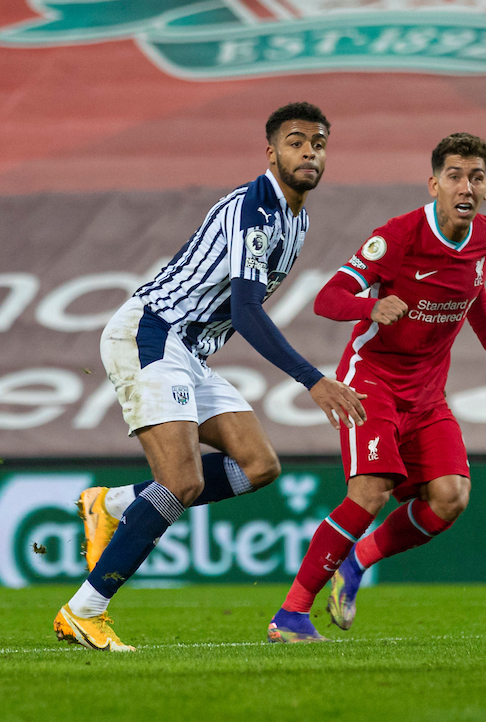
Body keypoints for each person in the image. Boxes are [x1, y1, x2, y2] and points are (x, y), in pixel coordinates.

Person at [60, 102, 366, 652]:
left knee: (259, 464)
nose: (309, 152)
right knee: (181, 483)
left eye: (318, 143)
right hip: (151, 333)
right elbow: (248, 311)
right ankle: (85, 609)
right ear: (271, 151)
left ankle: (112, 504)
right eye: (296, 142)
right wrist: (311, 379)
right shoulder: (254, 209)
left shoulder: (296, 218)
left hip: (190, 350)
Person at [267, 132, 486, 642]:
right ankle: (291, 613)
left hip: (427, 393)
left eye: (476, 177)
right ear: (434, 183)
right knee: (370, 494)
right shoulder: (397, 237)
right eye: (455, 176)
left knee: (450, 497)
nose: (466, 186)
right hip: (372, 379)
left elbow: (473, 293)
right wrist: (369, 305)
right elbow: (327, 298)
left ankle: (357, 562)